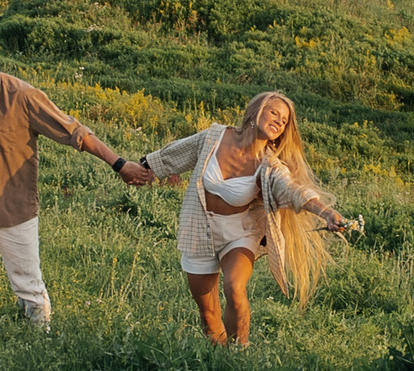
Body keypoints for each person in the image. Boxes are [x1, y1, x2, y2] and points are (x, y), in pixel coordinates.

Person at [0, 21, 151, 334]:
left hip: (13, 204)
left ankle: (40, 339)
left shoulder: (22, 96)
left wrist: (119, 164)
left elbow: (74, 132)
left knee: (28, 287)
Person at [137, 91, 357, 347]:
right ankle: (219, 361)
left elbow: (293, 190)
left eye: (284, 121)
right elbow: (177, 152)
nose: (279, 121)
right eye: (274, 112)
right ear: (256, 112)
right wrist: (141, 168)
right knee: (208, 316)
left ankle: (239, 354)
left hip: (239, 232)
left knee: (235, 288)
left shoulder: (270, 165)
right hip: (199, 229)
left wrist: (327, 212)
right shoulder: (214, 136)